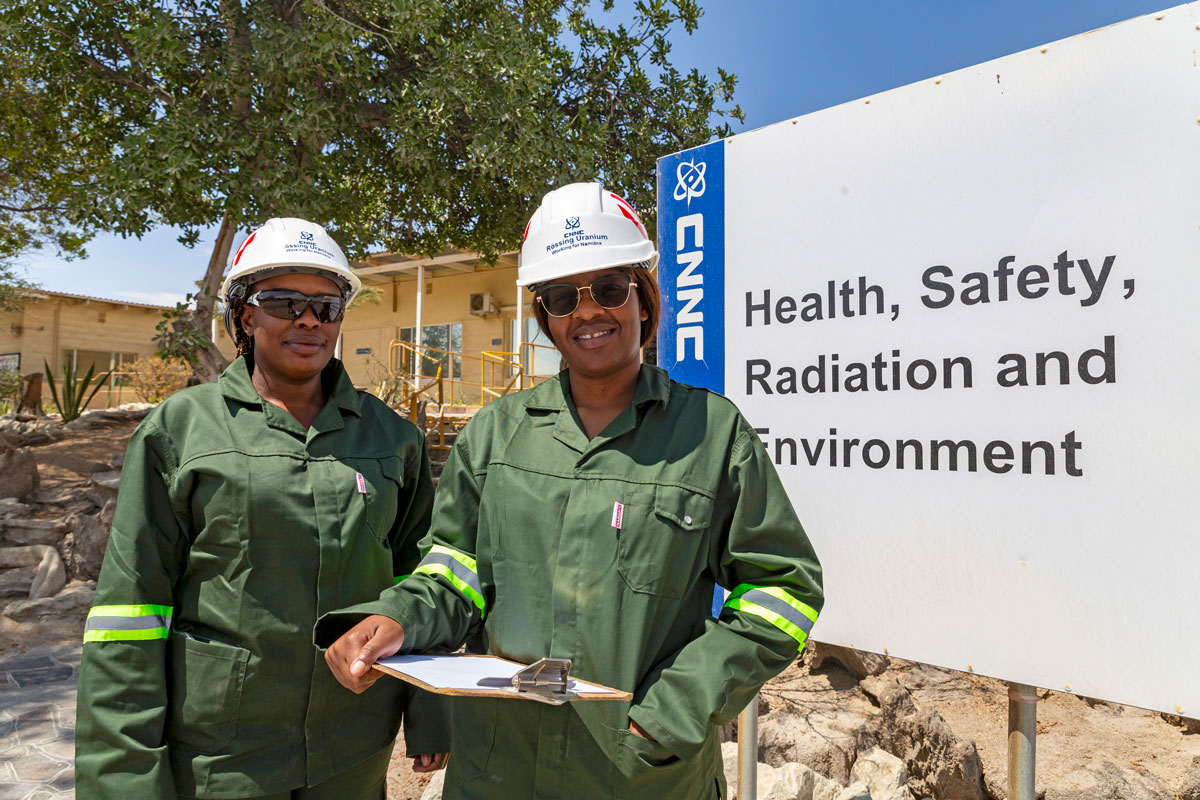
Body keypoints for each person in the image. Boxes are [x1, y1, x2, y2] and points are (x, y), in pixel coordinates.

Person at [319, 184, 823, 799]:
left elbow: (782, 589)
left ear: (644, 299)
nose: (587, 312)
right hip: (500, 770)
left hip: (638, 772)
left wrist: (675, 708)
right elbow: (453, 572)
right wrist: (395, 619)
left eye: (608, 289)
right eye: (562, 296)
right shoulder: (496, 435)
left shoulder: (712, 436)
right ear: (545, 317)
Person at [75, 218, 449, 798]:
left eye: (326, 306)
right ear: (246, 317)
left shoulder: (393, 439)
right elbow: (130, 612)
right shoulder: (179, 430)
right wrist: (121, 777)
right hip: (223, 758)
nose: (307, 320)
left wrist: (429, 708)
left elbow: (420, 582)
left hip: (352, 751)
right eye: (283, 302)